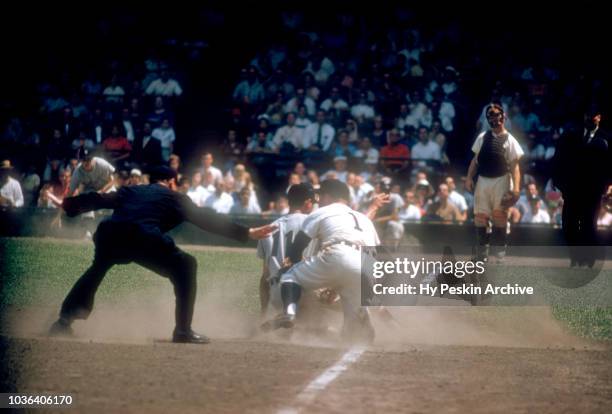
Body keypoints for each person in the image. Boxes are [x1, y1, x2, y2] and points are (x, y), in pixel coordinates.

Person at [49, 166, 275, 344]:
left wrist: (70, 205)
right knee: (186, 265)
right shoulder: (174, 197)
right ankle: (183, 331)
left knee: (97, 269)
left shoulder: (132, 190)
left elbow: (99, 198)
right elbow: (206, 219)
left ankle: (63, 322)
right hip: (143, 236)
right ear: (171, 182)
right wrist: (246, 232)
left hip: (110, 234)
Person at [262, 179, 380, 343]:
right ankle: (362, 317)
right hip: (365, 265)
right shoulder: (364, 219)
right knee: (350, 333)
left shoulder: (323, 212)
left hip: (337, 254)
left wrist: (292, 263)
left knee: (290, 276)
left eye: (321, 195)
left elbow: (299, 245)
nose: (319, 200)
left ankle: (289, 313)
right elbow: (373, 255)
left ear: (328, 196)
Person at [552, 106, 611, 266]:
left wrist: (609, 185)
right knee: (569, 225)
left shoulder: (606, 138)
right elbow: (559, 158)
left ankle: (587, 260)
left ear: (599, 117)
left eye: (593, 116)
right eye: (587, 115)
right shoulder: (571, 135)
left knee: (589, 226)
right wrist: (557, 180)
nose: (590, 118)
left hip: (593, 190)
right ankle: (575, 256)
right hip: (572, 190)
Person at [466, 103, 524, 261]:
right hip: (483, 180)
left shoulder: (510, 140)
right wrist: (469, 178)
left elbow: (515, 167)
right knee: (480, 216)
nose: (494, 118)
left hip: (502, 180)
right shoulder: (483, 137)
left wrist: (516, 189)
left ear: (503, 116)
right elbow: (475, 161)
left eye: (496, 114)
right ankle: (481, 254)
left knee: (500, 215)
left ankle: (499, 252)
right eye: (490, 115)